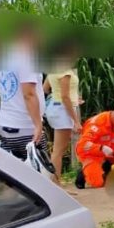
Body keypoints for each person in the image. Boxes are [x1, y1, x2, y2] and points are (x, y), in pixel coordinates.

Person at [0, 21, 47, 162]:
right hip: (25, 127)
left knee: (12, 175)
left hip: (5, 125)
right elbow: (28, 94)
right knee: (41, 175)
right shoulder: (27, 59)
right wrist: (38, 125)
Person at [44, 42, 83, 182]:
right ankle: (56, 184)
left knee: (58, 149)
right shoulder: (65, 71)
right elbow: (65, 96)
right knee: (59, 150)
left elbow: (46, 88)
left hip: (55, 107)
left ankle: (56, 182)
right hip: (62, 110)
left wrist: (73, 98)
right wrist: (76, 121)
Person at [74, 106, 114, 190]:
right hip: (90, 153)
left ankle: (106, 169)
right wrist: (101, 148)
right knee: (98, 183)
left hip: (106, 151)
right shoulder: (97, 124)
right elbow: (82, 145)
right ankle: (83, 173)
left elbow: (113, 141)